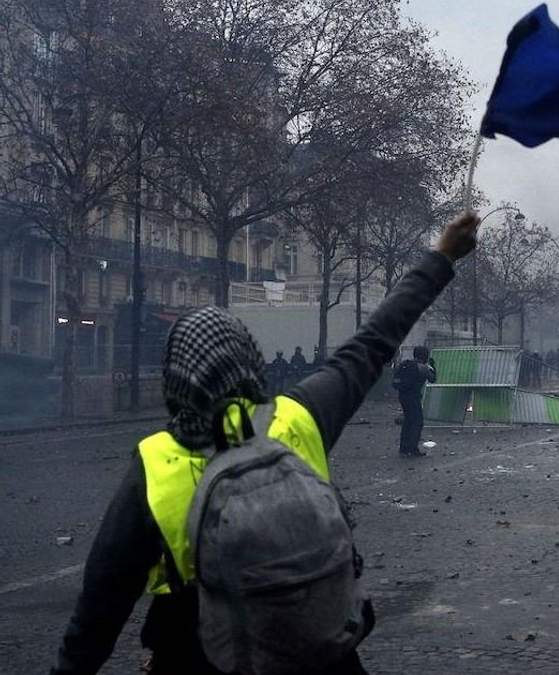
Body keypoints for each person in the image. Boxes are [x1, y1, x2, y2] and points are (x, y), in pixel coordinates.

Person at [50, 212, 478, 675]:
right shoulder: (299, 417)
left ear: (175, 380)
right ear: (252, 361)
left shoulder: (156, 462)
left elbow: (101, 605)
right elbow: (375, 340)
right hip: (321, 651)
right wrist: (441, 256)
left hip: (196, 654)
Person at [393, 345, 437, 457]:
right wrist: (432, 366)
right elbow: (432, 379)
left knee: (408, 421)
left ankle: (403, 448)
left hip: (402, 396)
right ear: (425, 356)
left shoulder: (405, 364)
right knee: (417, 422)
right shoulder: (422, 367)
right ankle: (412, 449)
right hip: (413, 397)